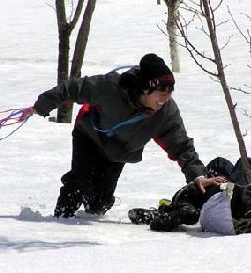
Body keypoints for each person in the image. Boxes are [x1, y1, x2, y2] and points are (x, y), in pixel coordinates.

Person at [28, 53, 216, 218]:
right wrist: (42, 106)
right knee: (78, 183)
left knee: (98, 204)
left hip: (119, 151)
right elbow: (73, 88)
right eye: (161, 92)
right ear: (145, 89)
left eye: (170, 92)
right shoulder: (111, 87)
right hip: (89, 137)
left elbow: (181, 145)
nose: (165, 98)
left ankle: (91, 206)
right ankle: (59, 222)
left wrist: (197, 176)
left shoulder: (166, 113)